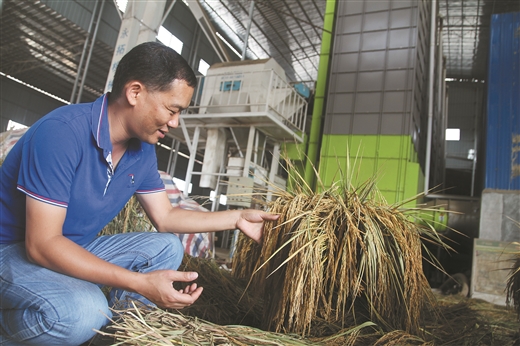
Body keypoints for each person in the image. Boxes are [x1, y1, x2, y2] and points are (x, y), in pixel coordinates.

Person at [0, 41, 278, 345]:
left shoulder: (142, 151)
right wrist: (141, 283)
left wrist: (236, 218)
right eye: (172, 110)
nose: (175, 123)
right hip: (12, 251)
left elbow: (166, 216)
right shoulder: (61, 133)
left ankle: (122, 336)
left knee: (167, 248)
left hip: (71, 246)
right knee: (85, 312)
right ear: (135, 93)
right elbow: (41, 245)